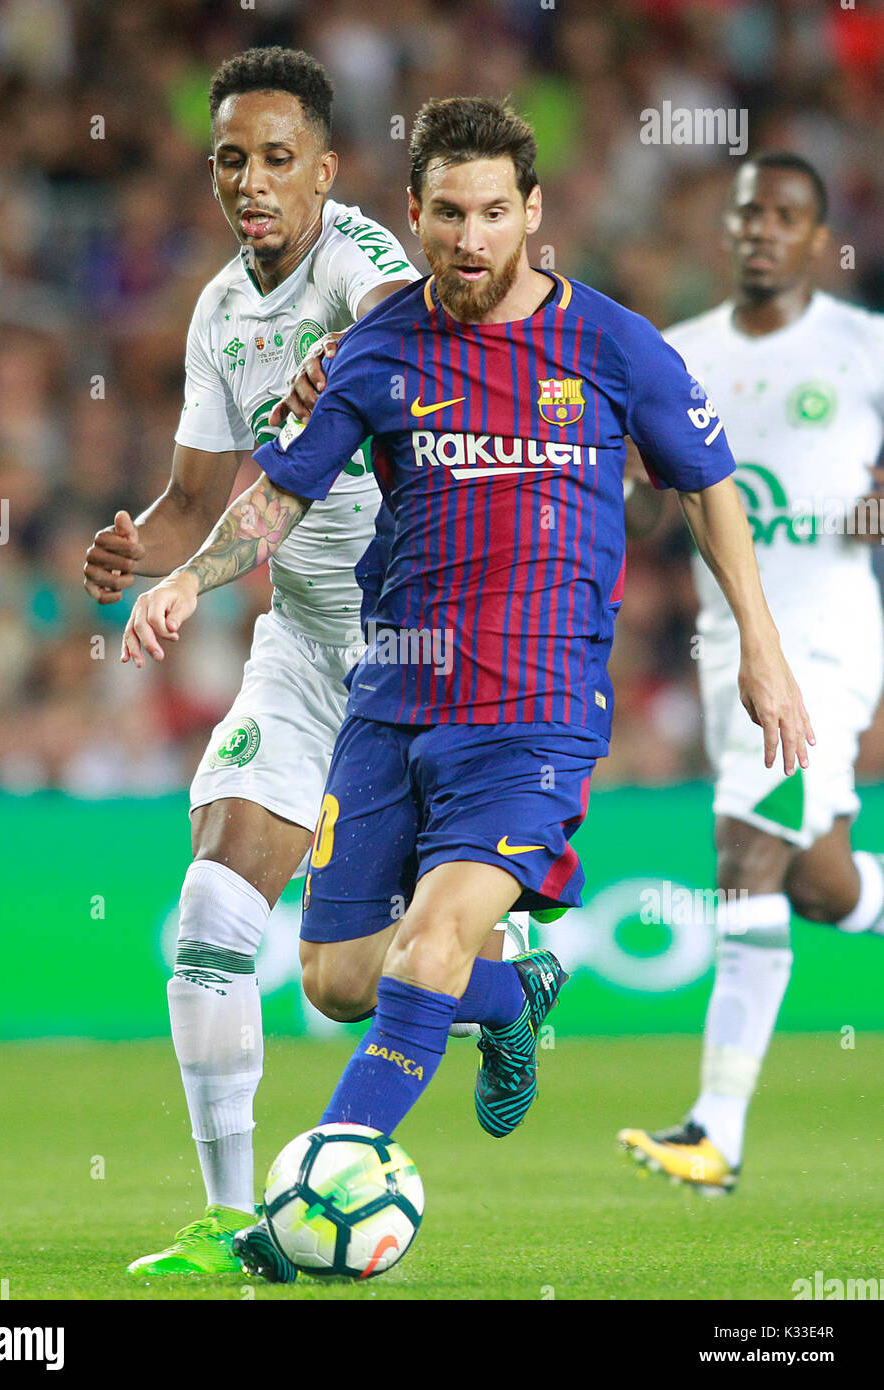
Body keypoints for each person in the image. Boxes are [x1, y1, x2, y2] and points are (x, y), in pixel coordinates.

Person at [122, 98, 812, 1279]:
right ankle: (511, 995)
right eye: (447, 212)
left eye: (495, 212)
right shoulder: (377, 352)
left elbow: (707, 484)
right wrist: (189, 579)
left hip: (533, 714)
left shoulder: (608, 343)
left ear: (531, 214)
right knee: (340, 981)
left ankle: (317, 1194)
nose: (470, 237)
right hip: (389, 705)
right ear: (413, 214)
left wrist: (759, 642)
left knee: (430, 939)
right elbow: (279, 494)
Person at [83, 46, 418, 1276]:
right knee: (212, 913)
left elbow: (404, 332)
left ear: (325, 171)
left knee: (347, 978)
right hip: (301, 645)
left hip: (420, 655)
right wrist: (139, 547)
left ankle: (505, 981)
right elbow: (190, 499)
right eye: (232, 158)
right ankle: (231, 1219)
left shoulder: (361, 263)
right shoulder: (219, 311)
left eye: (278, 158)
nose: (251, 180)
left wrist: (353, 361)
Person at [617, 153, 884, 1194]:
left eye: (783, 216)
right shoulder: (674, 357)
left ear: (816, 239)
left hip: (823, 646)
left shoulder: (862, 346)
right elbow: (645, 506)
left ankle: (712, 1128)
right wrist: (638, 482)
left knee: (740, 850)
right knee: (817, 883)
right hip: (730, 652)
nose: (761, 231)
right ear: (723, 232)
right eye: (745, 215)